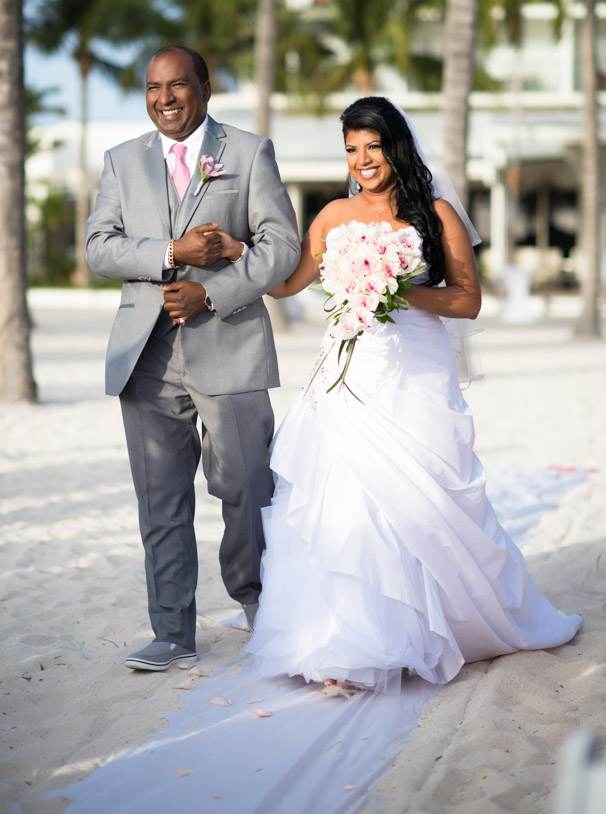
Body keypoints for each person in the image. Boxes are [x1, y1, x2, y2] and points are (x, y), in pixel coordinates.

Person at [222, 96, 581, 694]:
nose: (363, 160)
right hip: (348, 373)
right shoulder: (333, 216)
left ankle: (440, 624)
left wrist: (394, 287)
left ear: (396, 147)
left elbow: (467, 299)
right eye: (352, 149)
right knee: (344, 500)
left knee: (423, 498)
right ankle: (345, 639)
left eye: (373, 146)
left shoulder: (436, 214)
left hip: (415, 370)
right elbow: (287, 286)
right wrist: (240, 253)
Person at [85, 45, 300, 672]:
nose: (165, 99)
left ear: (205, 88)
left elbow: (281, 245)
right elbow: (100, 248)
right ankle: (173, 631)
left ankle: (265, 610)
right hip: (145, 357)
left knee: (246, 486)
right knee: (161, 500)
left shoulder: (248, 151)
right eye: (153, 88)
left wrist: (215, 290)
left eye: (178, 85)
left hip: (229, 342)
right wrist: (170, 253)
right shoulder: (121, 161)